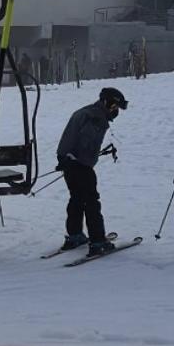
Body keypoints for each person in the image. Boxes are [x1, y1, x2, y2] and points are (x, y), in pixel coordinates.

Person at [55, 86, 128, 256]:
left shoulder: (88, 112)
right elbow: (86, 143)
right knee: (91, 201)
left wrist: (66, 159)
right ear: (106, 102)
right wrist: (81, 160)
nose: (115, 111)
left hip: (68, 159)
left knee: (77, 198)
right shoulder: (95, 117)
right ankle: (97, 241)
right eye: (114, 107)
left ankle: (74, 235)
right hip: (78, 163)